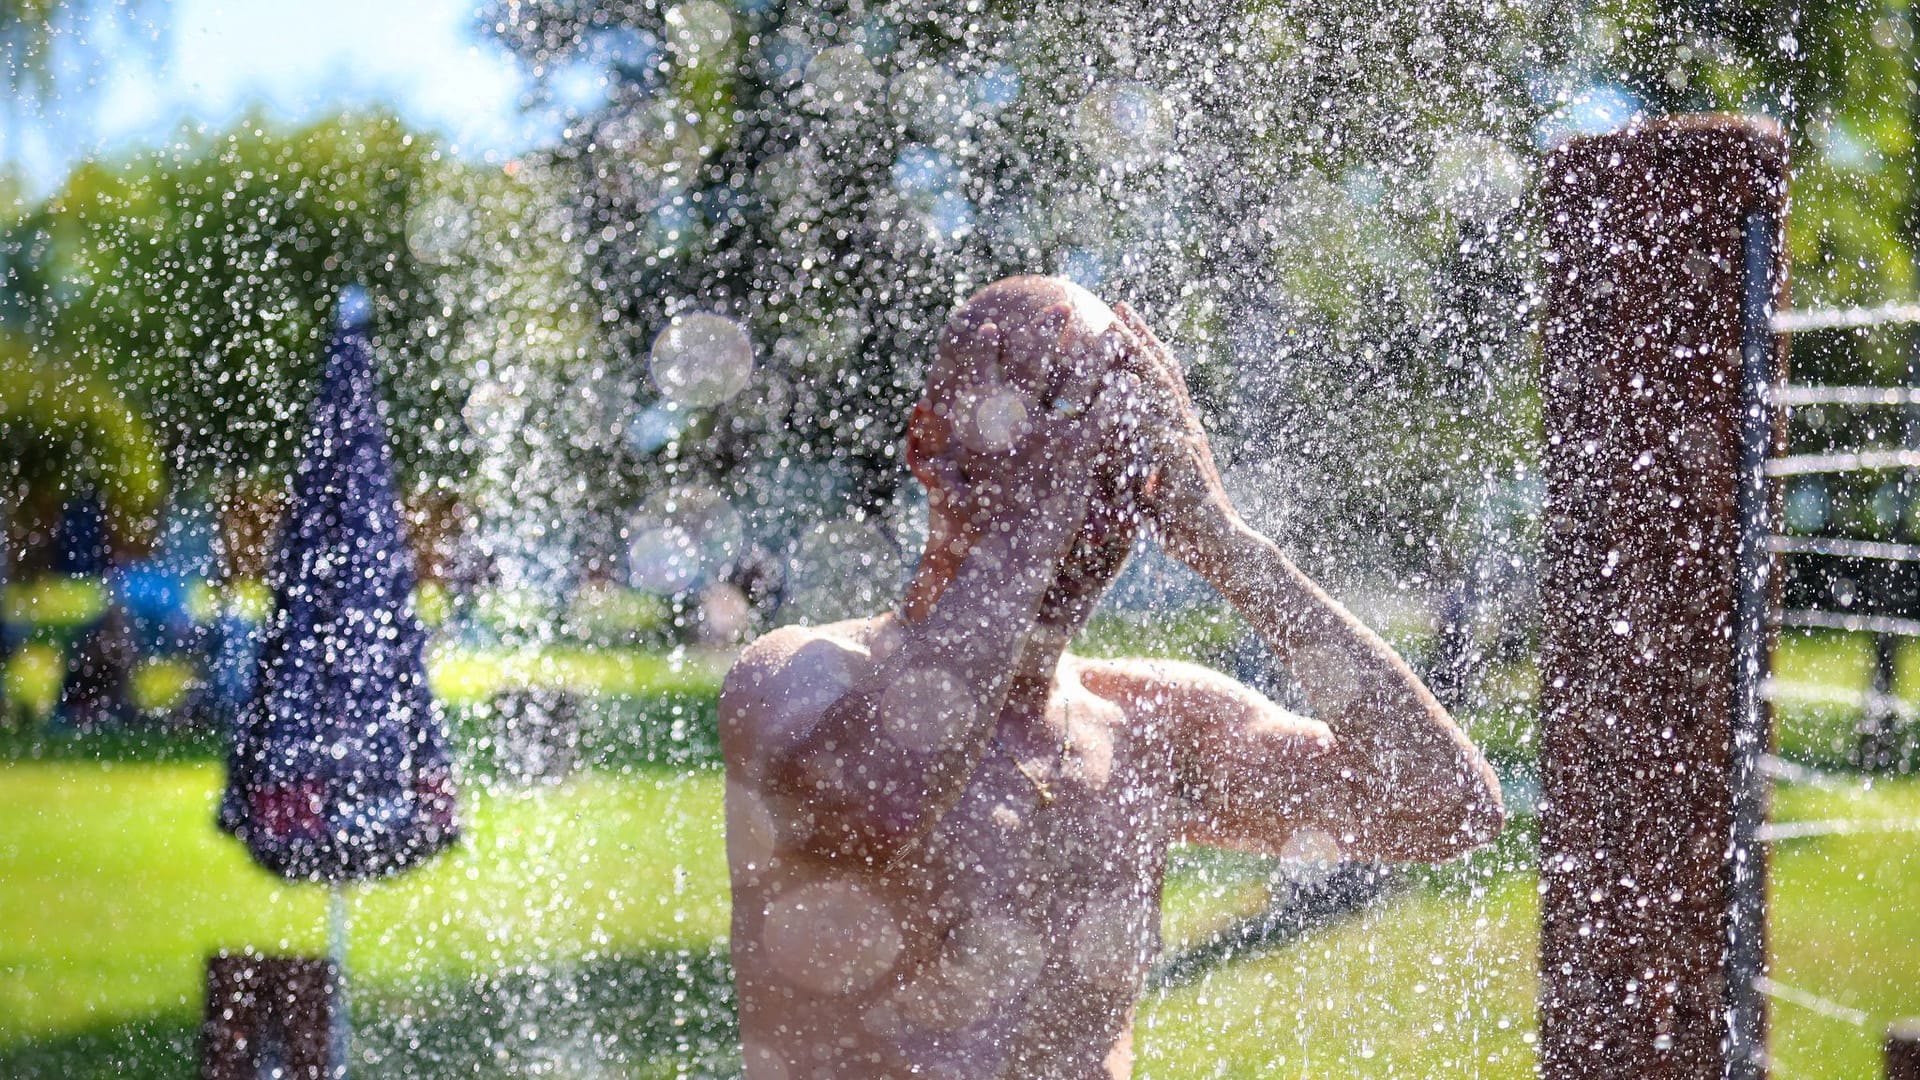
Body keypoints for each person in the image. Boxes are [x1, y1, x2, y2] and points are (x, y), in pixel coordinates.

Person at [719, 276, 1504, 1079]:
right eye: (1047, 423)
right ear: (928, 448)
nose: (1087, 491)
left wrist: (1231, 547)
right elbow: (886, 796)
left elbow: (1447, 809)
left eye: (1116, 451)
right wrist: (1035, 516)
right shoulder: (799, 676)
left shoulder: (1152, 728)